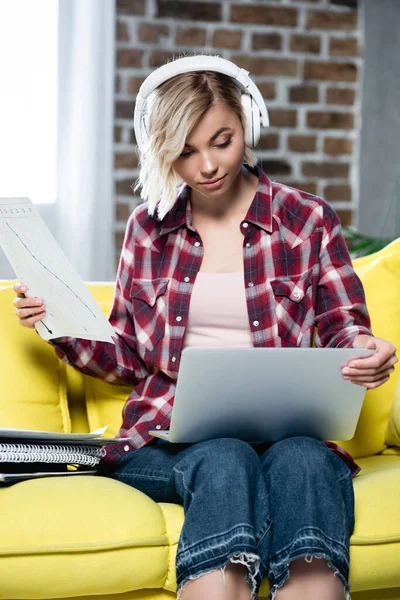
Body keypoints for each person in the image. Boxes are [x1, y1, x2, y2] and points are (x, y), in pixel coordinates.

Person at [13, 55, 397, 600]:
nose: (208, 166)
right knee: (225, 456)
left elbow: (343, 329)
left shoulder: (306, 219)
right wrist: (59, 324)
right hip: (168, 439)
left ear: (247, 124)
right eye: (185, 152)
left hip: (287, 436)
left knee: (307, 459)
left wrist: (365, 352)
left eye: (222, 141)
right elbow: (126, 359)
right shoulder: (148, 228)